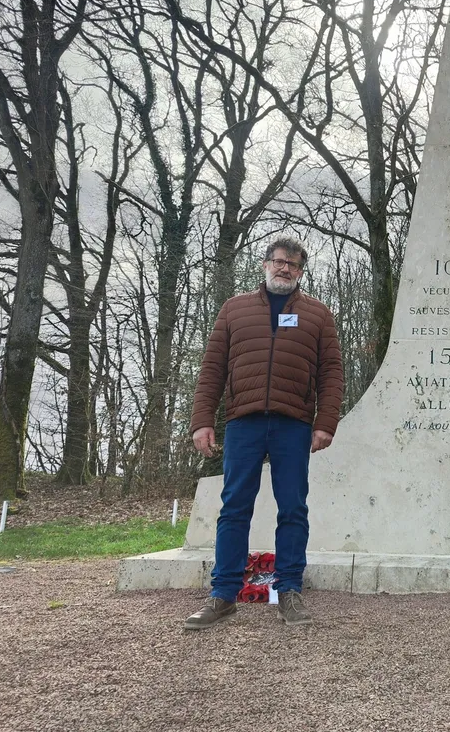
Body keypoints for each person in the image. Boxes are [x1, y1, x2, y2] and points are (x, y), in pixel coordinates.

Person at [184, 236, 344, 630]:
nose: (284, 268)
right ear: (264, 264)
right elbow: (212, 370)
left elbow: (332, 374)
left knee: (293, 509)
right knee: (234, 508)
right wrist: (202, 419)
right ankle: (223, 595)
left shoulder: (318, 314)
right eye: (278, 261)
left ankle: (289, 591)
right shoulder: (234, 309)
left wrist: (326, 423)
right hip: (244, 422)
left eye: (292, 264)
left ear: (301, 271)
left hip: (294, 424)